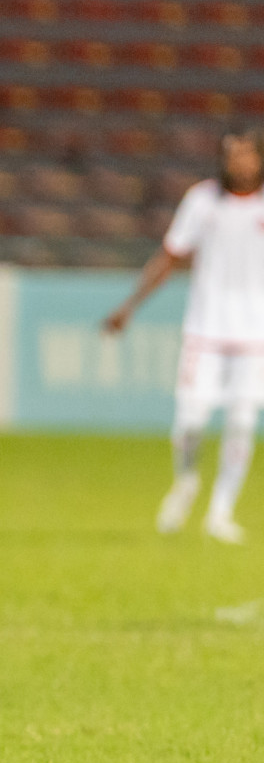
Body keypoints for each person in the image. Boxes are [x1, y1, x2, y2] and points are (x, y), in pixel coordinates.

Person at [105, 127, 264, 543]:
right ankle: (186, 480)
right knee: (191, 421)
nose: (239, 162)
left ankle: (221, 512)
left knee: (242, 423)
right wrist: (130, 305)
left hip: (254, 337)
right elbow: (171, 255)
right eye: (233, 154)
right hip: (205, 331)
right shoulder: (201, 200)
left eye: (248, 155)